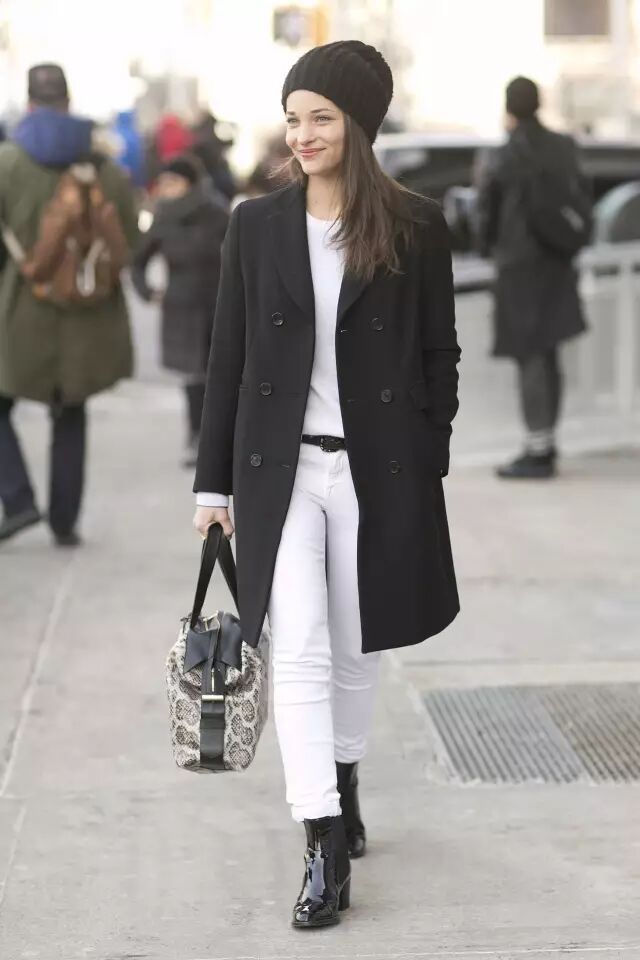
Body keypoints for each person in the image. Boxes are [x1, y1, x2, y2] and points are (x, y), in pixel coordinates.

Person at [192, 41, 461, 928]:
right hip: (282, 471)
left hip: (378, 471)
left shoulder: (414, 225)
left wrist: (428, 456)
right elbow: (228, 359)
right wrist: (212, 488)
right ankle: (320, 839)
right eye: (293, 118)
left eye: (321, 118)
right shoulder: (255, 224)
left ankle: (342, 781)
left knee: (355, 644)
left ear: (360, 126)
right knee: (299, 647)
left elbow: (439, 354)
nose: (301, 135)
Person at [0, 64, 138, 545]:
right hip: (89, 313)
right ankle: (64, 523)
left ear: (29, 103)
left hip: (20, 309)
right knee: (71, 411)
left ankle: (17, 498)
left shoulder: (7, 163)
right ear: (68, 100)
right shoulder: (104, 167)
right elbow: (128, 238)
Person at [475, 76, 588, 479]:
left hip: (519, 267)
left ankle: (537, 450)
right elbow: (582, 194)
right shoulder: (563, 146)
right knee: (549, 352)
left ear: (508, 108)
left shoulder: (502, 156)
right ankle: (547, 442)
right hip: (557, 263)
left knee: (530, 357)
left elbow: (486, 215)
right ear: (538, 104)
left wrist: (485, 248)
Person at [131, 154, 229, 467]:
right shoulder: (163, 218)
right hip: (181, 309)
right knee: (192, 378)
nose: (166, 189)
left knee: (219, 376)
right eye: (163, 183)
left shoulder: (217, 214)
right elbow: (138, 261)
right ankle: (197, 438)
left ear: (190, 184)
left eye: (173, 182)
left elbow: (244, 256)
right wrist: (148, 292)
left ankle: (220, 440)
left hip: (217, 304)